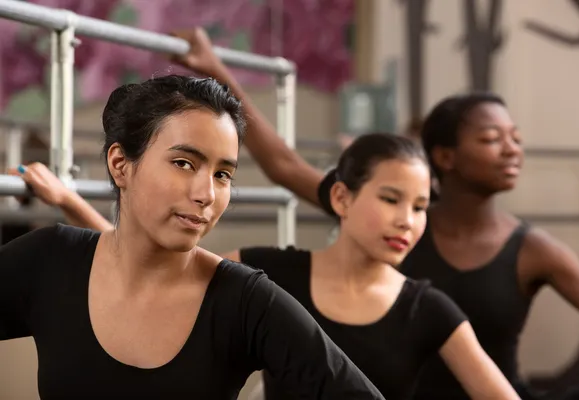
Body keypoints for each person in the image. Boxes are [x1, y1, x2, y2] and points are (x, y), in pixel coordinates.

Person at [160, 28, 579, 399]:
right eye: (491, 138)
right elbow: (283, 166)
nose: (512, 150)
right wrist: (215, 70)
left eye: (419, 205)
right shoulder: (309, 253)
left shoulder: (504, 265)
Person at [21, 132, 521, 399]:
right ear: (342, 197)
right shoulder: (267, 276)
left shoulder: (428, 307)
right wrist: (68, 201)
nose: (407, 221)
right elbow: (146, 258)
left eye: (419, 207)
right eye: (391, 199)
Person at [0, 75, 387, 399]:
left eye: (223, 174)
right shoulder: (50, 260)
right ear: (121, 165)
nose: (207, 194)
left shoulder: (245, 301)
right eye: (184, 163)